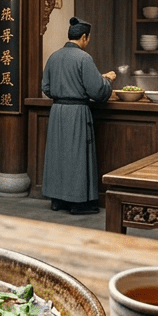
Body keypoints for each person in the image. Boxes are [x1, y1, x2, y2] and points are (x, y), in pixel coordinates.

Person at [41, 18, 116, 214]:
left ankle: (57, 201)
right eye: (88, 39)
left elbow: (46, 88)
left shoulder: (54, 57)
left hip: (57, 112)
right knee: (77, 157)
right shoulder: (83, 58)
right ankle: (78, 203)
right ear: (84, 37)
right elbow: (98, 91)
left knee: (58, 157)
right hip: (77, 112)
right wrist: (107, 81)